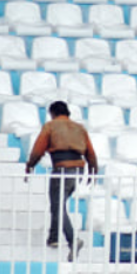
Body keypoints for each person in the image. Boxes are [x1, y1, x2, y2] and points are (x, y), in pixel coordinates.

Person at [26, 101, 98, 260]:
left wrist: (30, 165)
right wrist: (93, 171)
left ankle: (73, 240)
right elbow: (91, 153)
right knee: (58, 203)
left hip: (62, 169)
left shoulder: (51, 126)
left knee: (57, 206)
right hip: (78, 171)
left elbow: (38, 149)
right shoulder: (80, 128)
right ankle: (53, 237)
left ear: (52, 113)